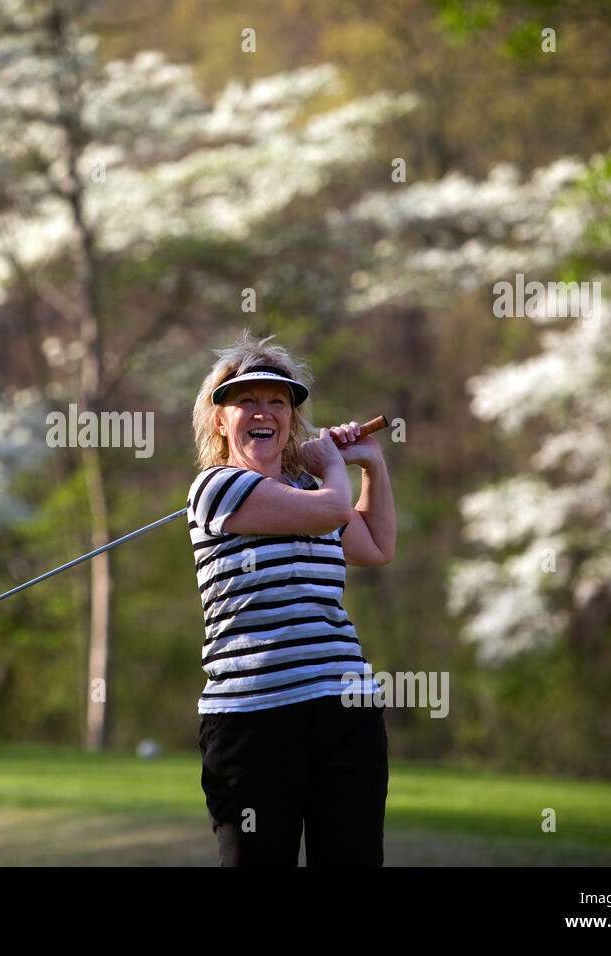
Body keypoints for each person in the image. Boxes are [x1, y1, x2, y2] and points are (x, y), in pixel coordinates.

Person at [187, 331, 396, 866]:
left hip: (345, 709)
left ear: (291, 419)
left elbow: (375, 546)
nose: (264, 412)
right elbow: (331, 512)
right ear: (220, 420)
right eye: (247, 401)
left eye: (277, 402)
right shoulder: (216, 487)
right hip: (253, 719)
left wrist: (370, 465)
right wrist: (331, 466)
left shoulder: (311, 491)